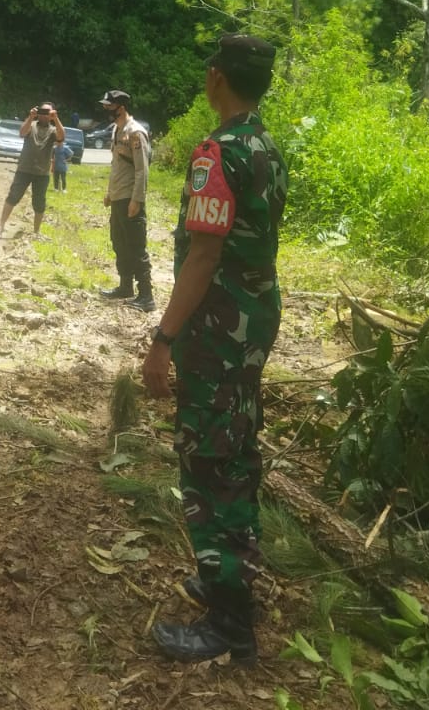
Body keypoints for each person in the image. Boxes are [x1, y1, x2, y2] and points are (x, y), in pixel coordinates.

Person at [141, 35, 287, 664]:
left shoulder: (217, 152)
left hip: (217, 331)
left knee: (209, 461)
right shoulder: (266, 147)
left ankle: (229, 622)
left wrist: (162, 341)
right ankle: (227, 574)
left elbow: (203, 256)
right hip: (252, 324)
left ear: (217, 79)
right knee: (237, 449)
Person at [99, 90, 153, 311]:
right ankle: (125, 286)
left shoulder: (135, 132)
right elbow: (118, 165)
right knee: (119, 242)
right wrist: (110, 192)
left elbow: (142, 169)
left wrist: (137, 200)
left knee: (136, 247)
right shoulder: (117, 130)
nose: (106, 111)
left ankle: (146, 296)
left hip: (130, 198)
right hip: (118, 196)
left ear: (121, 107)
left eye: (109, 107)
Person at [0, 102, 63, 238]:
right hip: (24, 169)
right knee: (13, 196)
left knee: (39, 202)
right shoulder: (31, 125)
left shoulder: (53, 130)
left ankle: (36, 232)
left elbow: (61, 138)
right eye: (42, 111)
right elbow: (22, 133)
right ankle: (1, 226)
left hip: (42, 173)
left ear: (52, 114)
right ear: (38, 111)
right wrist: (30, 117)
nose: (44, 115)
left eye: (47, 112)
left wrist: (56, 119)